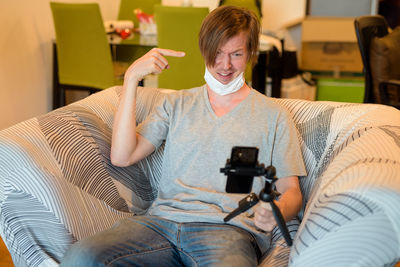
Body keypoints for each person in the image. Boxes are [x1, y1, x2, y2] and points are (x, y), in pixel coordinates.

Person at [61, 5, 306, 267]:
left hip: (228, 232)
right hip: (159, 225)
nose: (225, 65)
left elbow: (291, 190)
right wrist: (131, 78)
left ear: (250, 54)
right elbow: (122, 156)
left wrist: (278, 212)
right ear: (204, 50)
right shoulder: (175, 104)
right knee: (82, 257)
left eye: (236, 54)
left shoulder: (274, 115)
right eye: (218, 53)